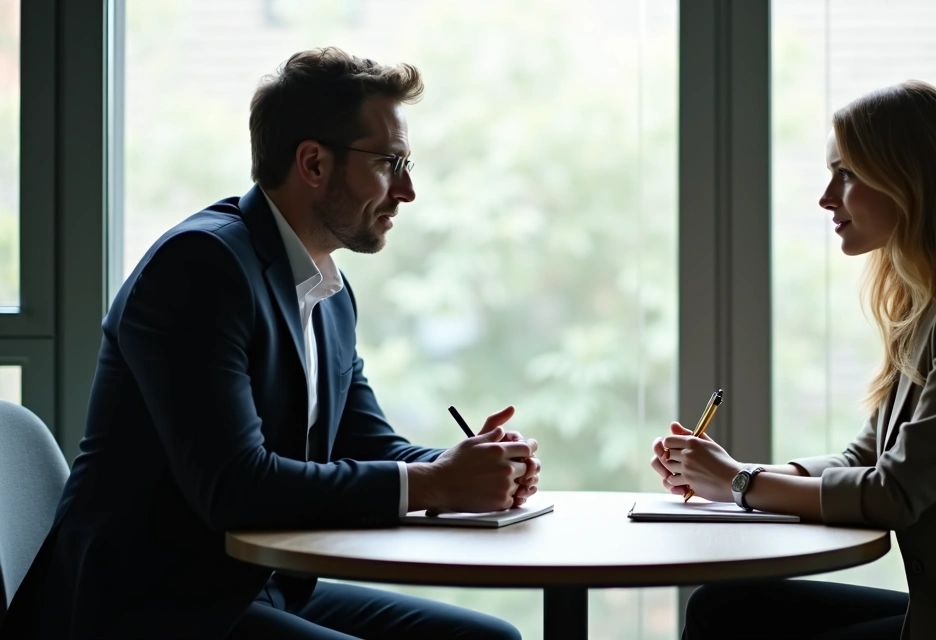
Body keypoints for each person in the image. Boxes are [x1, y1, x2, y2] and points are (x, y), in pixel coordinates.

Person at [2, 48, 538, 639]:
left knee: (492, 639)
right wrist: (437, 485)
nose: (407, 190)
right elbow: (235, 487)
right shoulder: (200, 267)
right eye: (390, 162)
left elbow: (367, 444)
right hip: (149, 605)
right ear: (313, 163)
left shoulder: (328, 291)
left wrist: (469, 467)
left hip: (255, 587)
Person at [651, 81, 936, 639]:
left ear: (910, 179)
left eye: (846, 173)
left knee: (728, 616)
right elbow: (862, 457)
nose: (826, 197)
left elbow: (895, 493)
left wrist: (739, 482)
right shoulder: (927, 301)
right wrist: (734, 472)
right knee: (722, 609)